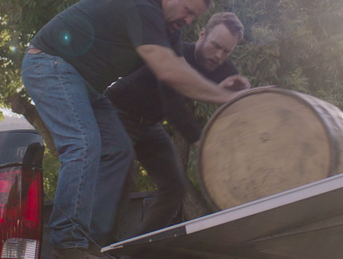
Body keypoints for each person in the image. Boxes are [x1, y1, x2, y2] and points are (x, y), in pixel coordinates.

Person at [21, 0, 238, 259]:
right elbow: (168, 70)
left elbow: (177, 80)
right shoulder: (141, 6)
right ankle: (67, 242)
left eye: (194, 17)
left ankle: (95, 243)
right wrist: (227, 97)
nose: (188, 20)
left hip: (88, 88)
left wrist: (231, 91)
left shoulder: (169, 32)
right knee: (84, 144)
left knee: (119, 151)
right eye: (188, 11)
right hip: (49, 63)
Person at [105, 12, 250, 239]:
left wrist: (243, 89)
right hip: (117, 113)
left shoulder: (222, 65)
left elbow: (238, 96)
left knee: (176, 187)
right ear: (202, 34)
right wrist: (203, 142)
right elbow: (173, 108)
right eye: (215, 46)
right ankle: (101, 246)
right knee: (123, 176)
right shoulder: (176, 54)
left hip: (150, 125)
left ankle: (138, 250)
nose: (218, 56)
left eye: (227, 51)